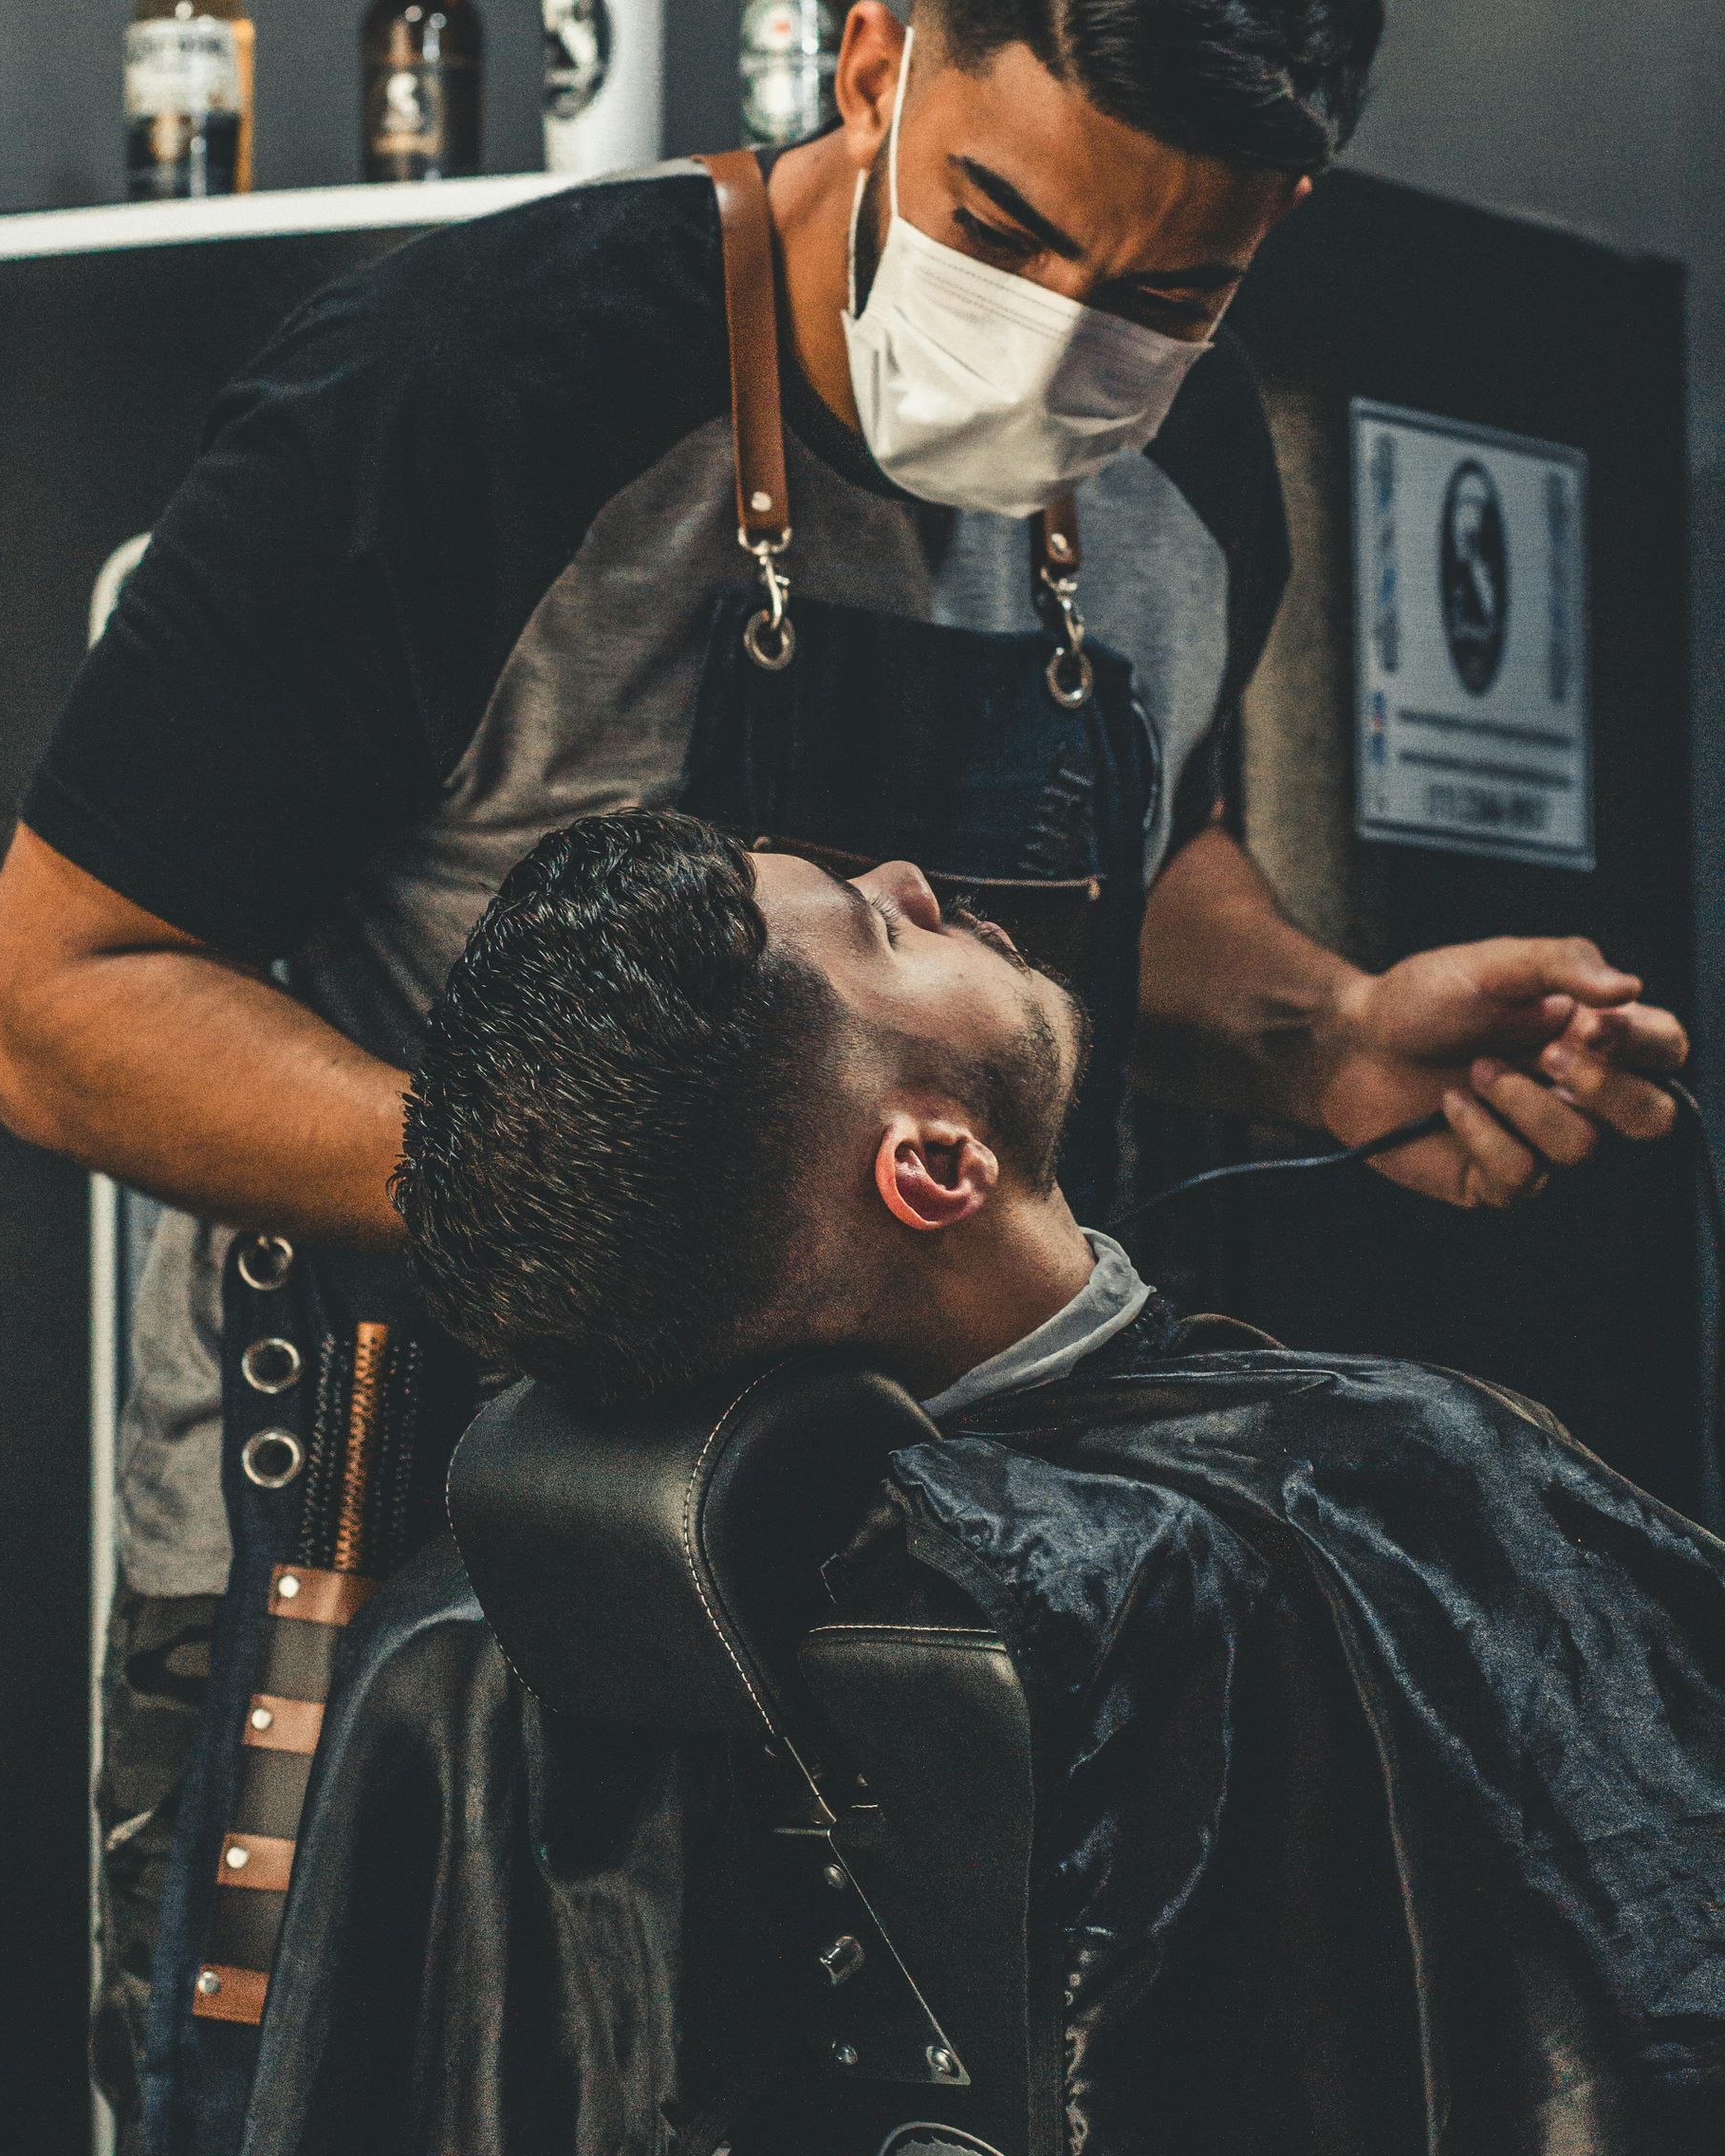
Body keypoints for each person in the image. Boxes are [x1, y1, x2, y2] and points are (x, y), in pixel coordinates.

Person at [0, 0, 1682, 2151]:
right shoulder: (476, 392)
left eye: (1167, 295)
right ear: (872, 72)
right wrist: (642, 1206)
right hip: (418, 1569)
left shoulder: (1191, 484)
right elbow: (60, 995)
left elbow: (1128, 860)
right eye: (1002, 227)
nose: (1064, 338)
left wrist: (1326, 1032)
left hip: (937, 1575)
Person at [243, 808, 1725, 2155]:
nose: (910, 875)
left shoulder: (457, 1640)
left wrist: (1330, 1026)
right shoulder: (1397, 1492)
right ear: (937, 1167)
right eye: (884, 929)